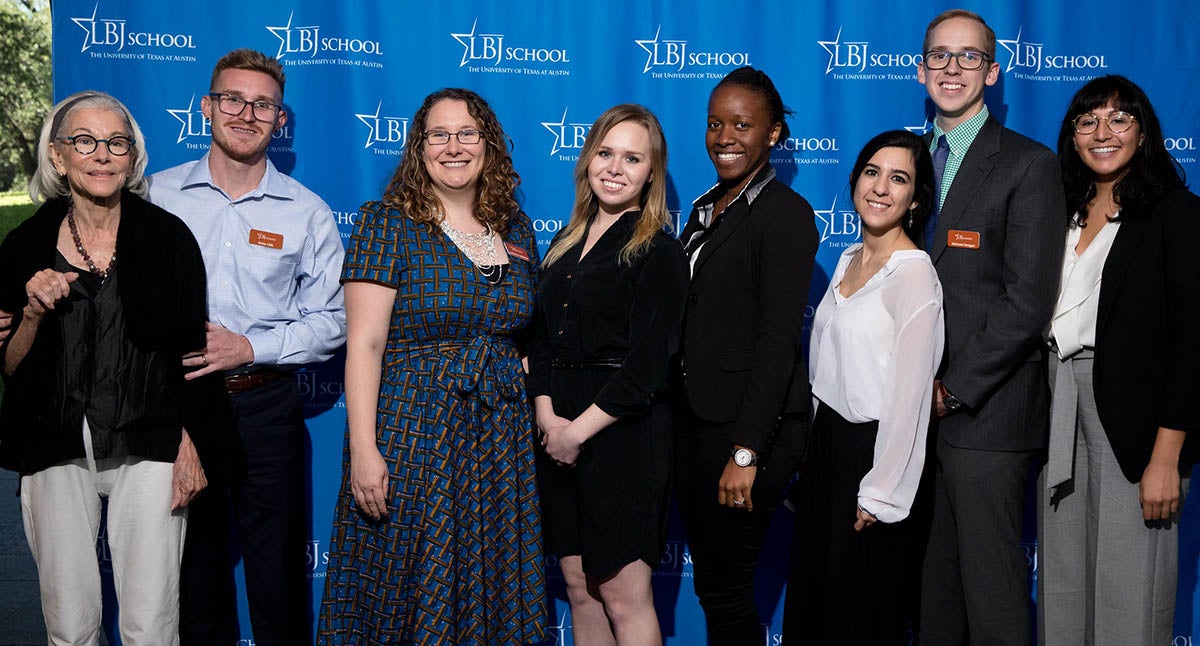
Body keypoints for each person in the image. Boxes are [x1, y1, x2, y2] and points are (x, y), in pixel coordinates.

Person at [0, 91, 232, 645]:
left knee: (152, 626)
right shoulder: (24, 244)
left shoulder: (168, 237)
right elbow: (10, 368)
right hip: (54, 445)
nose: (101, 155)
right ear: (58, 156)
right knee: (69, 626)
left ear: (132, 157)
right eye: (85, 141)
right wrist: (31, 312)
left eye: (116, 142)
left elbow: (192, 354)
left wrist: (194, 444)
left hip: (150, 444)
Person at [317, 88, 547, 645]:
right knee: (409, 583)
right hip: (415, 432)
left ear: (488, 146)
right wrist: (365, 450)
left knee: (490, 581)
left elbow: (521, 333)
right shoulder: (387, 224)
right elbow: (366, 345)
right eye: (437, 135)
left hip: (497, 441)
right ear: (418, 149)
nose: (453, 146)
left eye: (466, 133)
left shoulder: (516, 231)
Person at [148, 49, 347, 646]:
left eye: (262, 104)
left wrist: (250, 349)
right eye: (232, 99)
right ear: (207, 107)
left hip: (267, 407)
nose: (246, 113)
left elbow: (333, 321)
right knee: (194, 570)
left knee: (279, 572)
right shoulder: (157, 195)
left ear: (280, 120)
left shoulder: (307, 212)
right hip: (178, 409)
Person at [914, 10, 1067, 645]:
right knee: (932, 597)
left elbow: (1026, 301)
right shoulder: (903, 162)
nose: (952, 68)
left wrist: (951, 389)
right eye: (940, 56)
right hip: (910, 419)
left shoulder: (1029, 165)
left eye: (968, 56)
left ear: (993, 71)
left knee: (994, 595)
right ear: (921, 69)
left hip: (987, 416)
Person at [1038, 75, 1200, 645]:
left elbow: (1192, 344)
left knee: (1129, 590)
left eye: (1118, 119)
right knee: (1061, 581)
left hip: (1135, 421)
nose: (1101, 133)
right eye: (1088, 121)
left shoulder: (1176, 214)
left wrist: (1167, 456)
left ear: (1143, 131)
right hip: (1059, 404)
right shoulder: (1061, 209)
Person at [529, 104, 689, 645]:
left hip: (623, 436)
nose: (616, 167)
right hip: (556, 431)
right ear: (587, 159)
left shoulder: (659, 251)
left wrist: (575, 431)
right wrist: (550, 418)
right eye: (606, 152)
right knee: (579, 587)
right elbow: (541, 341)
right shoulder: (563, 244)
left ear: (652, 173)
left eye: (633, 157)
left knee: (623, 594)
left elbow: (650, 364)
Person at [674, 66, 817, 644]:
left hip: (747, 430)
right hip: (700, 424)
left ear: (774, 135)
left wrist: (746, 450)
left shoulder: (783, 214)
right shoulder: (710, 208)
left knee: (728, 590)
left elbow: (776, 340)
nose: (724, 136)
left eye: (741, 124)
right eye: (715, 123)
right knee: (715, 586)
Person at [783, 130, 943, 643]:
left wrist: (881, 491)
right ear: (854, 182)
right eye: (872, 172)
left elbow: (911, 398)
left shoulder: (916, 276)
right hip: (825, 451)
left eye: (899, 179)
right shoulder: (850, 258)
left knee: (860, 612)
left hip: (871, 456)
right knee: (816, 604)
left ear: (916, 199)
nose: (881, 188)